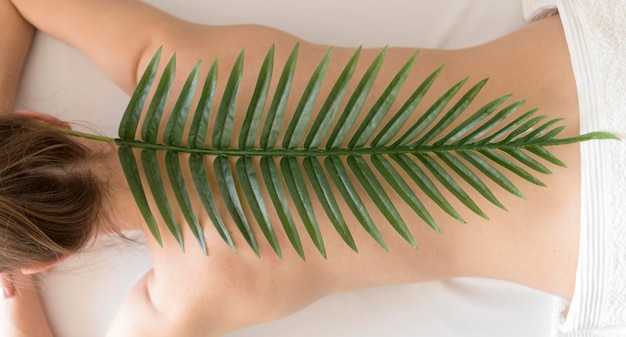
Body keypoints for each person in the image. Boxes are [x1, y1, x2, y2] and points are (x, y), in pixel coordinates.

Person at [0, 0, 623, 336]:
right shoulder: (171, 60)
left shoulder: (191, 296)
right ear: (44, 122)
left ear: (50, 257)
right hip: (599, 59)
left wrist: (13, 284)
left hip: (600, 246)